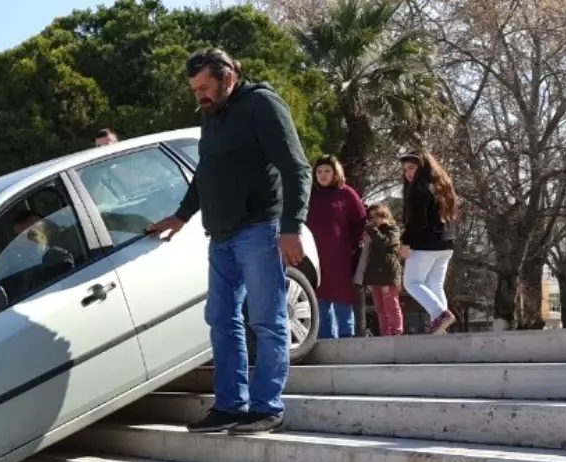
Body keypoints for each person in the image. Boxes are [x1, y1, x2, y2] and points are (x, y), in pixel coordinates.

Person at [146, 47, 311, 436]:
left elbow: (296, 166)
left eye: (204, 87)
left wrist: (292, 226)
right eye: (194, 89)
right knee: (221, 320)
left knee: (267, 321)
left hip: (260, 231)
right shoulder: (211, 118)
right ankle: (230, 406)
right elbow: (205, 171)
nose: (199, 95)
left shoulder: (262, 105)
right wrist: (182, 215)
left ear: (228, 79)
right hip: (220, 238)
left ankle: (267, 407)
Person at [305, 155, 368, 339]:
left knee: (342, 297)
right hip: (314, 256)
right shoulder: (310, 195)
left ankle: (347, 336)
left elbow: (361, 219)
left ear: (335, 173)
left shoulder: (346, 193)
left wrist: (352, 244)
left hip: (340, 255)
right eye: (319, 171)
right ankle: (326, 338)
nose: (322, 175)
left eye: (327, 171)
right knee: (320, 298)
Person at [399, 152, 460, 334]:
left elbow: (418, 221)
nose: (408, 173)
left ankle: (440, 314)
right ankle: (441, 326)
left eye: (412, 168)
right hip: (446, 243)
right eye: (405, 170)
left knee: (411, 283)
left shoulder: (419, 189)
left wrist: (406, 242)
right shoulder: (443, 187)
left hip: (426, 244)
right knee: (435, 285)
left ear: (423, 167)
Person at [358, 203, 405, 336]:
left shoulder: (393, 229)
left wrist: (373, 231)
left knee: (391, 304)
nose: (373, 220)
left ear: (384, 215)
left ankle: (396, 330)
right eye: (371, 218)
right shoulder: (370, 233)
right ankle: (385, 332)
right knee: (380, 307)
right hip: (375, 275)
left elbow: (385, 243)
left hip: (388, 274)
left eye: (376, 216)